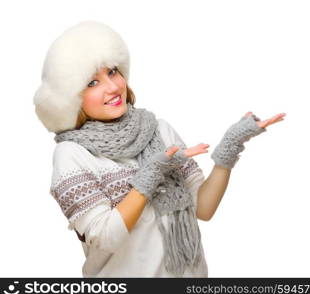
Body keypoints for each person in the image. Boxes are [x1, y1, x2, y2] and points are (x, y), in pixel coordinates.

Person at [33, 20, 286, 278]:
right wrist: (149, 176)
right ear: (70, 98)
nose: (112, 87)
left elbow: (204, 209)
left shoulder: (159, 130)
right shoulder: (72, 153)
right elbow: (106, 236)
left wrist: (230, 147)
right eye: (92, 83)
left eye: (112, 72)